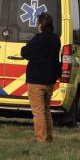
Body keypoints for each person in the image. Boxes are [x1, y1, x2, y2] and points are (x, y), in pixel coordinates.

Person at [20, 12, 61, 143]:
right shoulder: (56, 39)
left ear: (40, 25)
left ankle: (41, 138)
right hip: (50, 79)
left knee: (38, 111)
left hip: (36, 80)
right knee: (46, 110)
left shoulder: (37, 40)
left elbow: (24, 52)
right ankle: (48, 137)